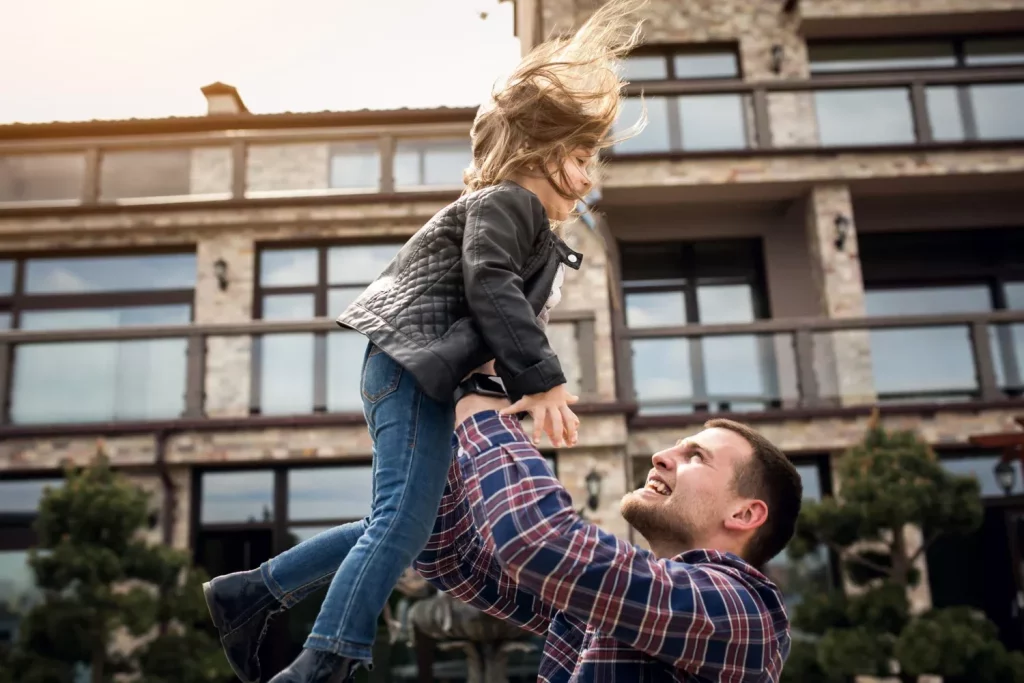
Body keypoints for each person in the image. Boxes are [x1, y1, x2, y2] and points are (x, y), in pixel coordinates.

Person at [200, 1, 647, 681]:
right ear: (547, 154)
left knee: (409, 523)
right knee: (401, 522)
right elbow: (487, 282)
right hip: (409, 369)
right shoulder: (508, 203)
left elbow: (488, 318)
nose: (588, 179)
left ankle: (253, 591)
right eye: (583, 159)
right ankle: (328, 657)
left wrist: (503, 389)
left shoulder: (523, 219)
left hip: (415, 371)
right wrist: (543, 377)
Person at [412, 370, 803, 682]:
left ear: (744, 515)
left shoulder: (742, 614)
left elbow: (536, 542)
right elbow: (452, 558)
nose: (661, 456)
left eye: (696, 456)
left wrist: (483, 404)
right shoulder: (618, 610)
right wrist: (432, 431)